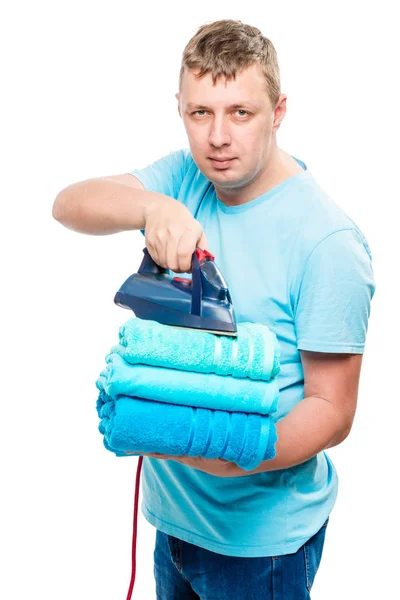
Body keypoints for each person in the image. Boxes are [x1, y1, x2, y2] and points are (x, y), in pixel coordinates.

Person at [52, 19, 376, 600]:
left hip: (260, 546)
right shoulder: (185, 176)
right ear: (179, 108)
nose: (218, 138)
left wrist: (238, 454)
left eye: (240, 113)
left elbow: (334, 410)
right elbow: (68, 204)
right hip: (172, 518)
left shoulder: (327, 241)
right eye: (200, 113)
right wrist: (153, 208)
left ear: (278, 111)